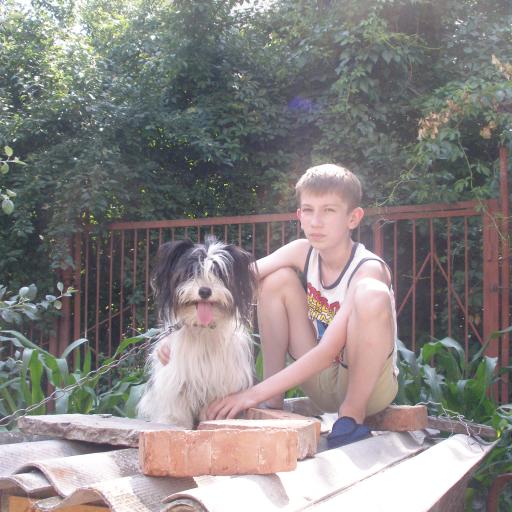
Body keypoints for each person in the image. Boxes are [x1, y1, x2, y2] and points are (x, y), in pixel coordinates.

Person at [205, 164, 399, 447]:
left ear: (353, 218)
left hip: (369, 388)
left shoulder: (367, 268)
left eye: (329, 210)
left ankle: (351, 417)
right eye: (308, 210)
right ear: (299, 215)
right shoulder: (302, 251)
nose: (316, 221)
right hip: (322, 383)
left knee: (372, 293)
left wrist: (250, 394)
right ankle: (272, 401)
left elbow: (327, 351)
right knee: (275, 280)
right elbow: (235, 282)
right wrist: (180, 333)